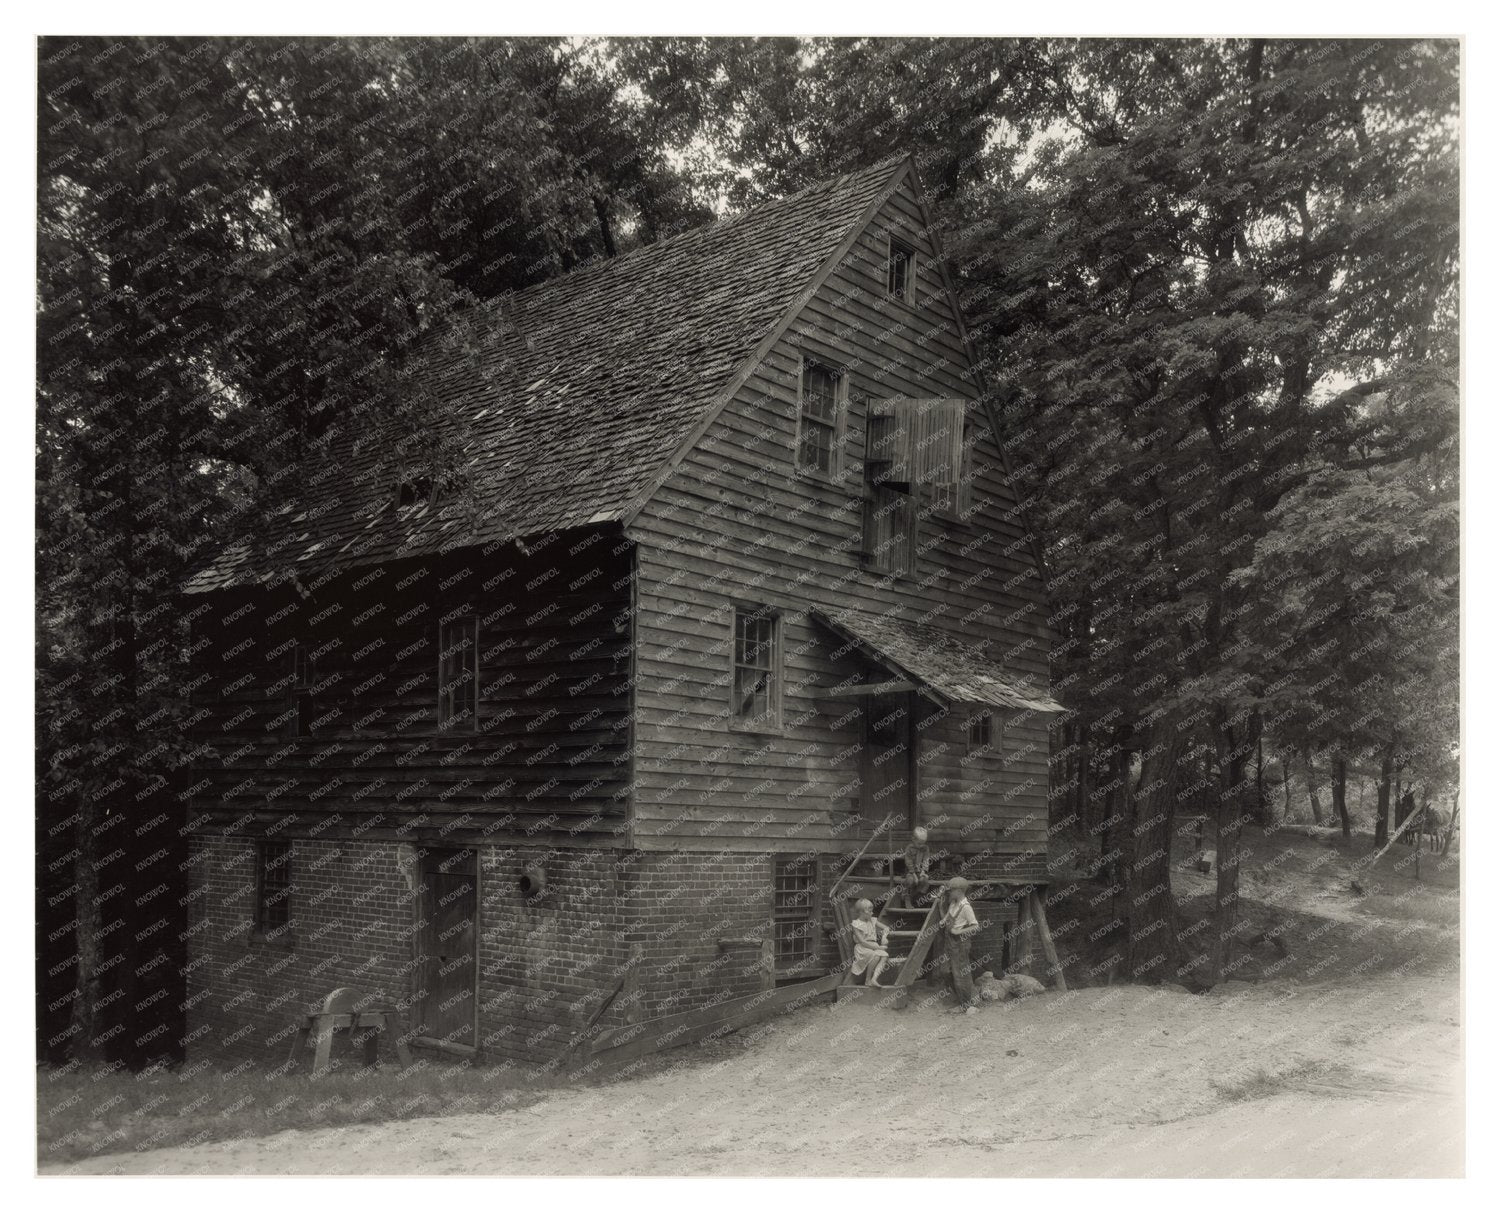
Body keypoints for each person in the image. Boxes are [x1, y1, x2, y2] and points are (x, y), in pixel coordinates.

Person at [939, 876, 981, 1013]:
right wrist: (942, 916)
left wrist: (959, 932)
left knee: (960, 974)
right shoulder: (953, 903)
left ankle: (967, 1005)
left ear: (959, 891)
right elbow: (947, 918)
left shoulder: (966, 907)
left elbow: (975, 926)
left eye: (951, 891)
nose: (949, 893)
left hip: (960, 943)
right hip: (949, 941)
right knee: (945, 970)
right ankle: (962, 998)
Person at [849, 898, 892, 986]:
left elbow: (886, 928)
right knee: (876, 956)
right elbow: (862, 942)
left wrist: (884, 937)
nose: (872, 913)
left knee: (884, 956)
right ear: (862, 912)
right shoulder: (856, 924)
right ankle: (867, 980)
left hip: (874, 946)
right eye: (870, 911)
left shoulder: (872, 920)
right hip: (863, 948)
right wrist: (879, 947)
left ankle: (874, 979)